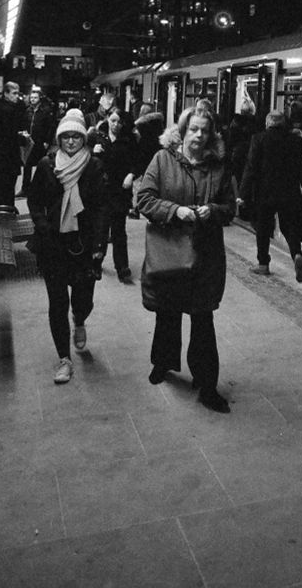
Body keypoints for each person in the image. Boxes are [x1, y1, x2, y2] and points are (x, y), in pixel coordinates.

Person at [136, 107, 235, 413]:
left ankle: (207, 385)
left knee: (203, 320)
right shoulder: (162, 160)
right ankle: (162, 364)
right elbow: (144, 199)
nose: (199, 136)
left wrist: (213, 211)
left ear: (212, 134)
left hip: (205, 257)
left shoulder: (218, 166)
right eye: (193, 129)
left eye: (205, 130)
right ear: (182, 131)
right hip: (169, 252)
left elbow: (230, 207)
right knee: (167, 312)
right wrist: (175, 211)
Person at [27, 108, 108, 384]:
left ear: (83, 139)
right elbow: (34, 200)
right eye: (66, 137)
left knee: (83, 299)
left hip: (84, 245)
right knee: (57, 302)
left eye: (76, 137)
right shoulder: (47, 166)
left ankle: (81, 319)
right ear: (59, 139)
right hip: (53, 244)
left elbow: (100, 207)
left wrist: (99, 242)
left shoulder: (94, 166)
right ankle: (64, 359)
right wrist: (42, 224)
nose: (71, 142)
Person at [239, 109, 302, 282]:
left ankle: (263, 264)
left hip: (265, 193)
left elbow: (251, 168)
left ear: (268, 123)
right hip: (290, 193)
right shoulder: (295, 141)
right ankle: (296, 255)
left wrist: (243, 193)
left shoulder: (259, 139)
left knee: (263, 228)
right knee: (289, 227)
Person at [91, 107, 139, 281]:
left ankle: (122, 267)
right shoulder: (97, 137)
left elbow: (138, 161)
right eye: (113, 121)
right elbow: (86, 162)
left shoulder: (129, 139)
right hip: (101, 190)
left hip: (120, 190)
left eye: (119, 121)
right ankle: (96, 263)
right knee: (101, 229)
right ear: (107, 120)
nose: (116, 125)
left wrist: (131, 175)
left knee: (119, 230)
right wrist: (92, 152)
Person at [0, 81, 29, 211]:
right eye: (14, 93)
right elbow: (8, 136)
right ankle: (6, 212)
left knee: (1, 189)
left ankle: (2, 212)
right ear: (6, 93)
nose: (16, 97)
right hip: (6, 158)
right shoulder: (7, 111)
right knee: (6, 189)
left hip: (1, 159)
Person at [128, 102, 165, 218]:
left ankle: (137, 208)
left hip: (144, 159)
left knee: (140, 186)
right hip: (157, 158)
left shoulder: (141, 127)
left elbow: (140, 147)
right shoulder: (159, 125)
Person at [17, 86, 55, 197]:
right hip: (29, 141)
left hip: (40, 142)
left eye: (35, 97)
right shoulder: (27, 111)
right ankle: (25, 188)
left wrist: (47, 141)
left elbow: (50, 127)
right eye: (31, 97)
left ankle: (39, 189)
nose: (32, 99)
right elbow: (23, 123)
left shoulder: (45, 111)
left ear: (39, 99)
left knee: (41, 165)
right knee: (27, 165)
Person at [227, 96, 257, 187]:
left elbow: (231, 138)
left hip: (237, 153)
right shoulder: (256, 123)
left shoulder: (235, 121)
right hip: (252, 153)